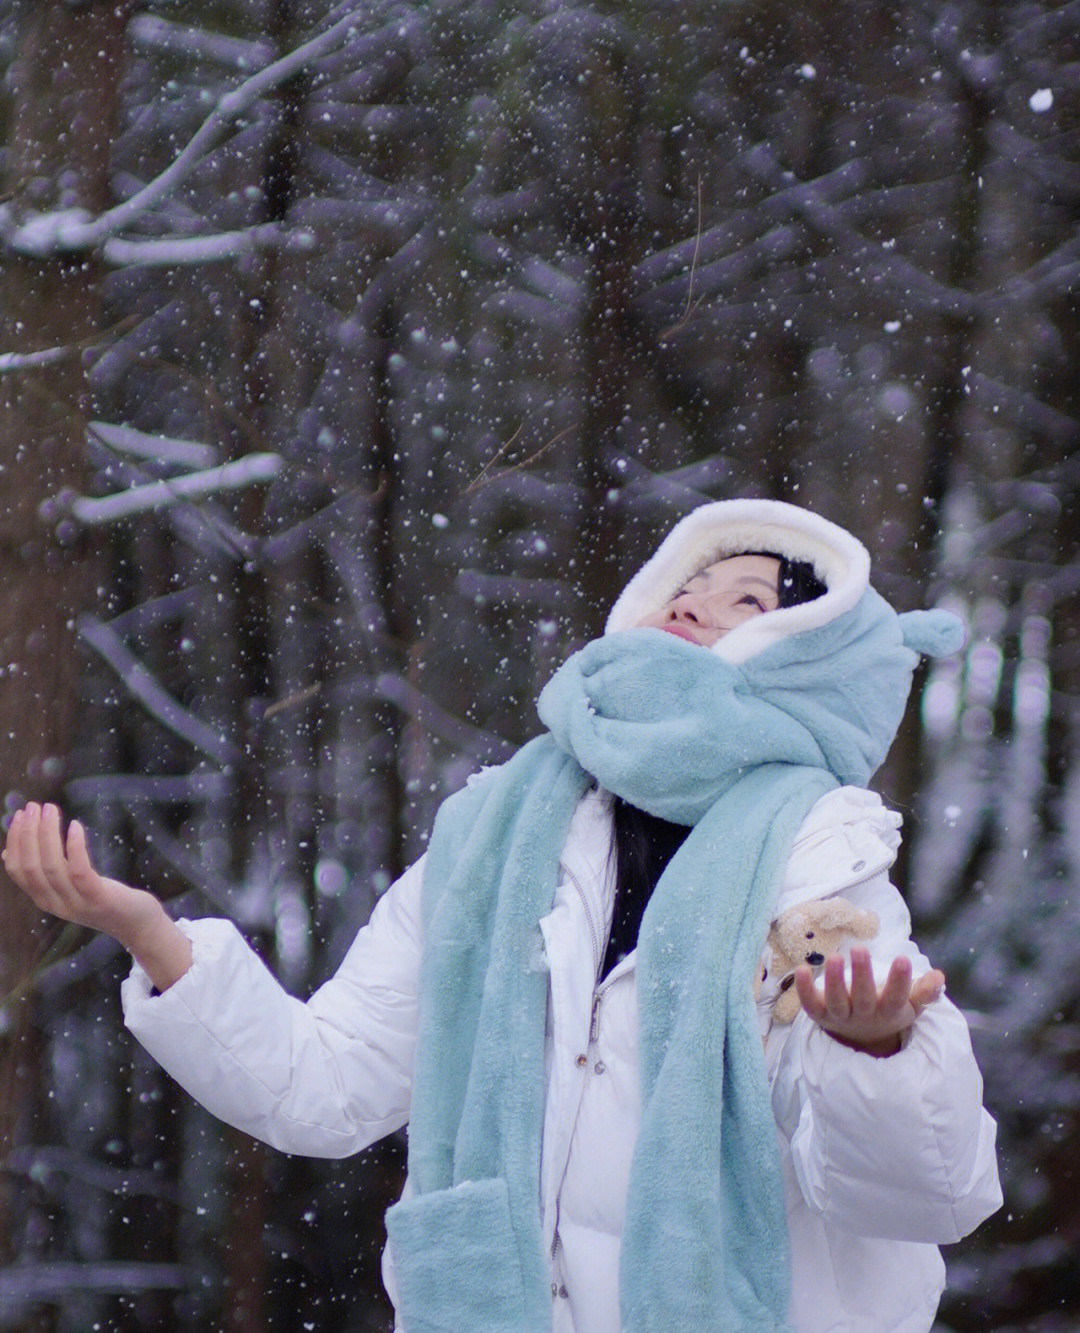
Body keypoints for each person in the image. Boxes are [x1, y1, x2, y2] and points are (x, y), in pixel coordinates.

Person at [3, 498, 1002, 1333]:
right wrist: (157, 941)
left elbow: (924, 1197)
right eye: (686, 586)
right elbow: (330, 1084)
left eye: (744, 601)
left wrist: (880, 1055)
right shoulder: (496, 835)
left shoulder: (819, 864)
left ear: (804, 662)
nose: (693, 606)